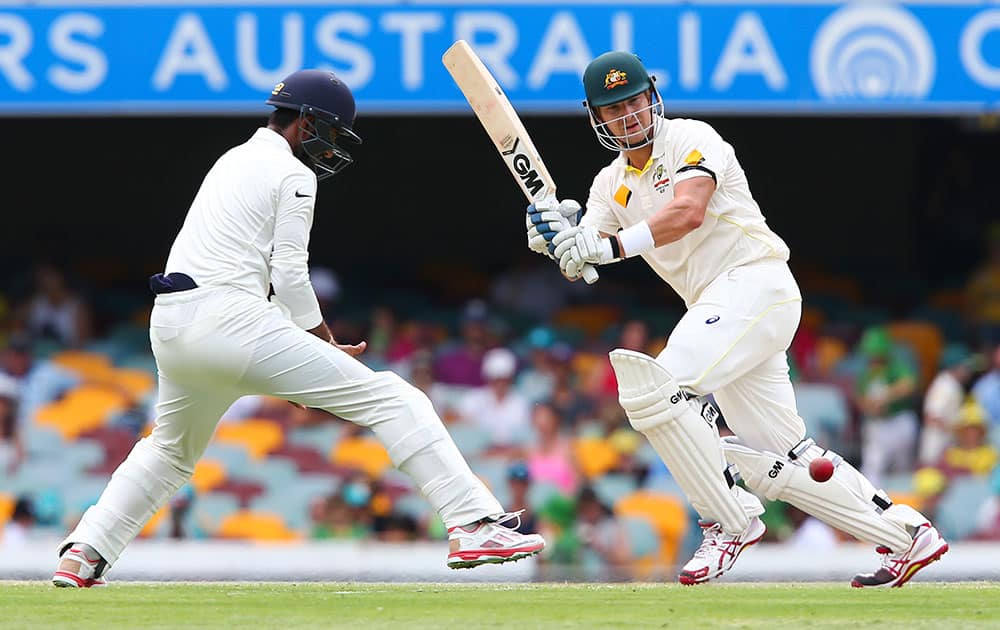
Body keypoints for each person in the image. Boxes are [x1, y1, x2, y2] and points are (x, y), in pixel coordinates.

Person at [52, 69, 543, 588]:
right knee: (393, 397)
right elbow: (289, 273)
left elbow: (258, 279)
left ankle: (85, 550)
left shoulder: (231, 158)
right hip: (231, 320)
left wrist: (296, 358)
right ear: (306, 124)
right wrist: (323, 343)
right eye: (331, 133)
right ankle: (474, 524)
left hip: (172, 324)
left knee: (169, 450)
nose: (332, 149)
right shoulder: (293, 173)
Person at [523, 51, 946, 587]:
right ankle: (908, 535)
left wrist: (600, 247)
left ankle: (727, 519)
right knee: (787, 457)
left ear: (651, 95)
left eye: (633, 100)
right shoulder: (608, 186)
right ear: (596, 117)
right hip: (722, 313)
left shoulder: (692, 139)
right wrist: (557, 239)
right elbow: (585, 257)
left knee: (658, 388)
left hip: (756, 283)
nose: (628, 114)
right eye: (613, 107)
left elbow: (686, 211)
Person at [854, 326, 918, 486]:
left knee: (902, 466)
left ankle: (902, 501)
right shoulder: (866, 373)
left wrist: (885, 397)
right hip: (877, 423)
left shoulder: (896, 366)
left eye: (877, 353)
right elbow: (860, 399)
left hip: (899, 419)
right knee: (872, 466)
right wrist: (871, 406)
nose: (874, 357)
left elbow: (908, 385)